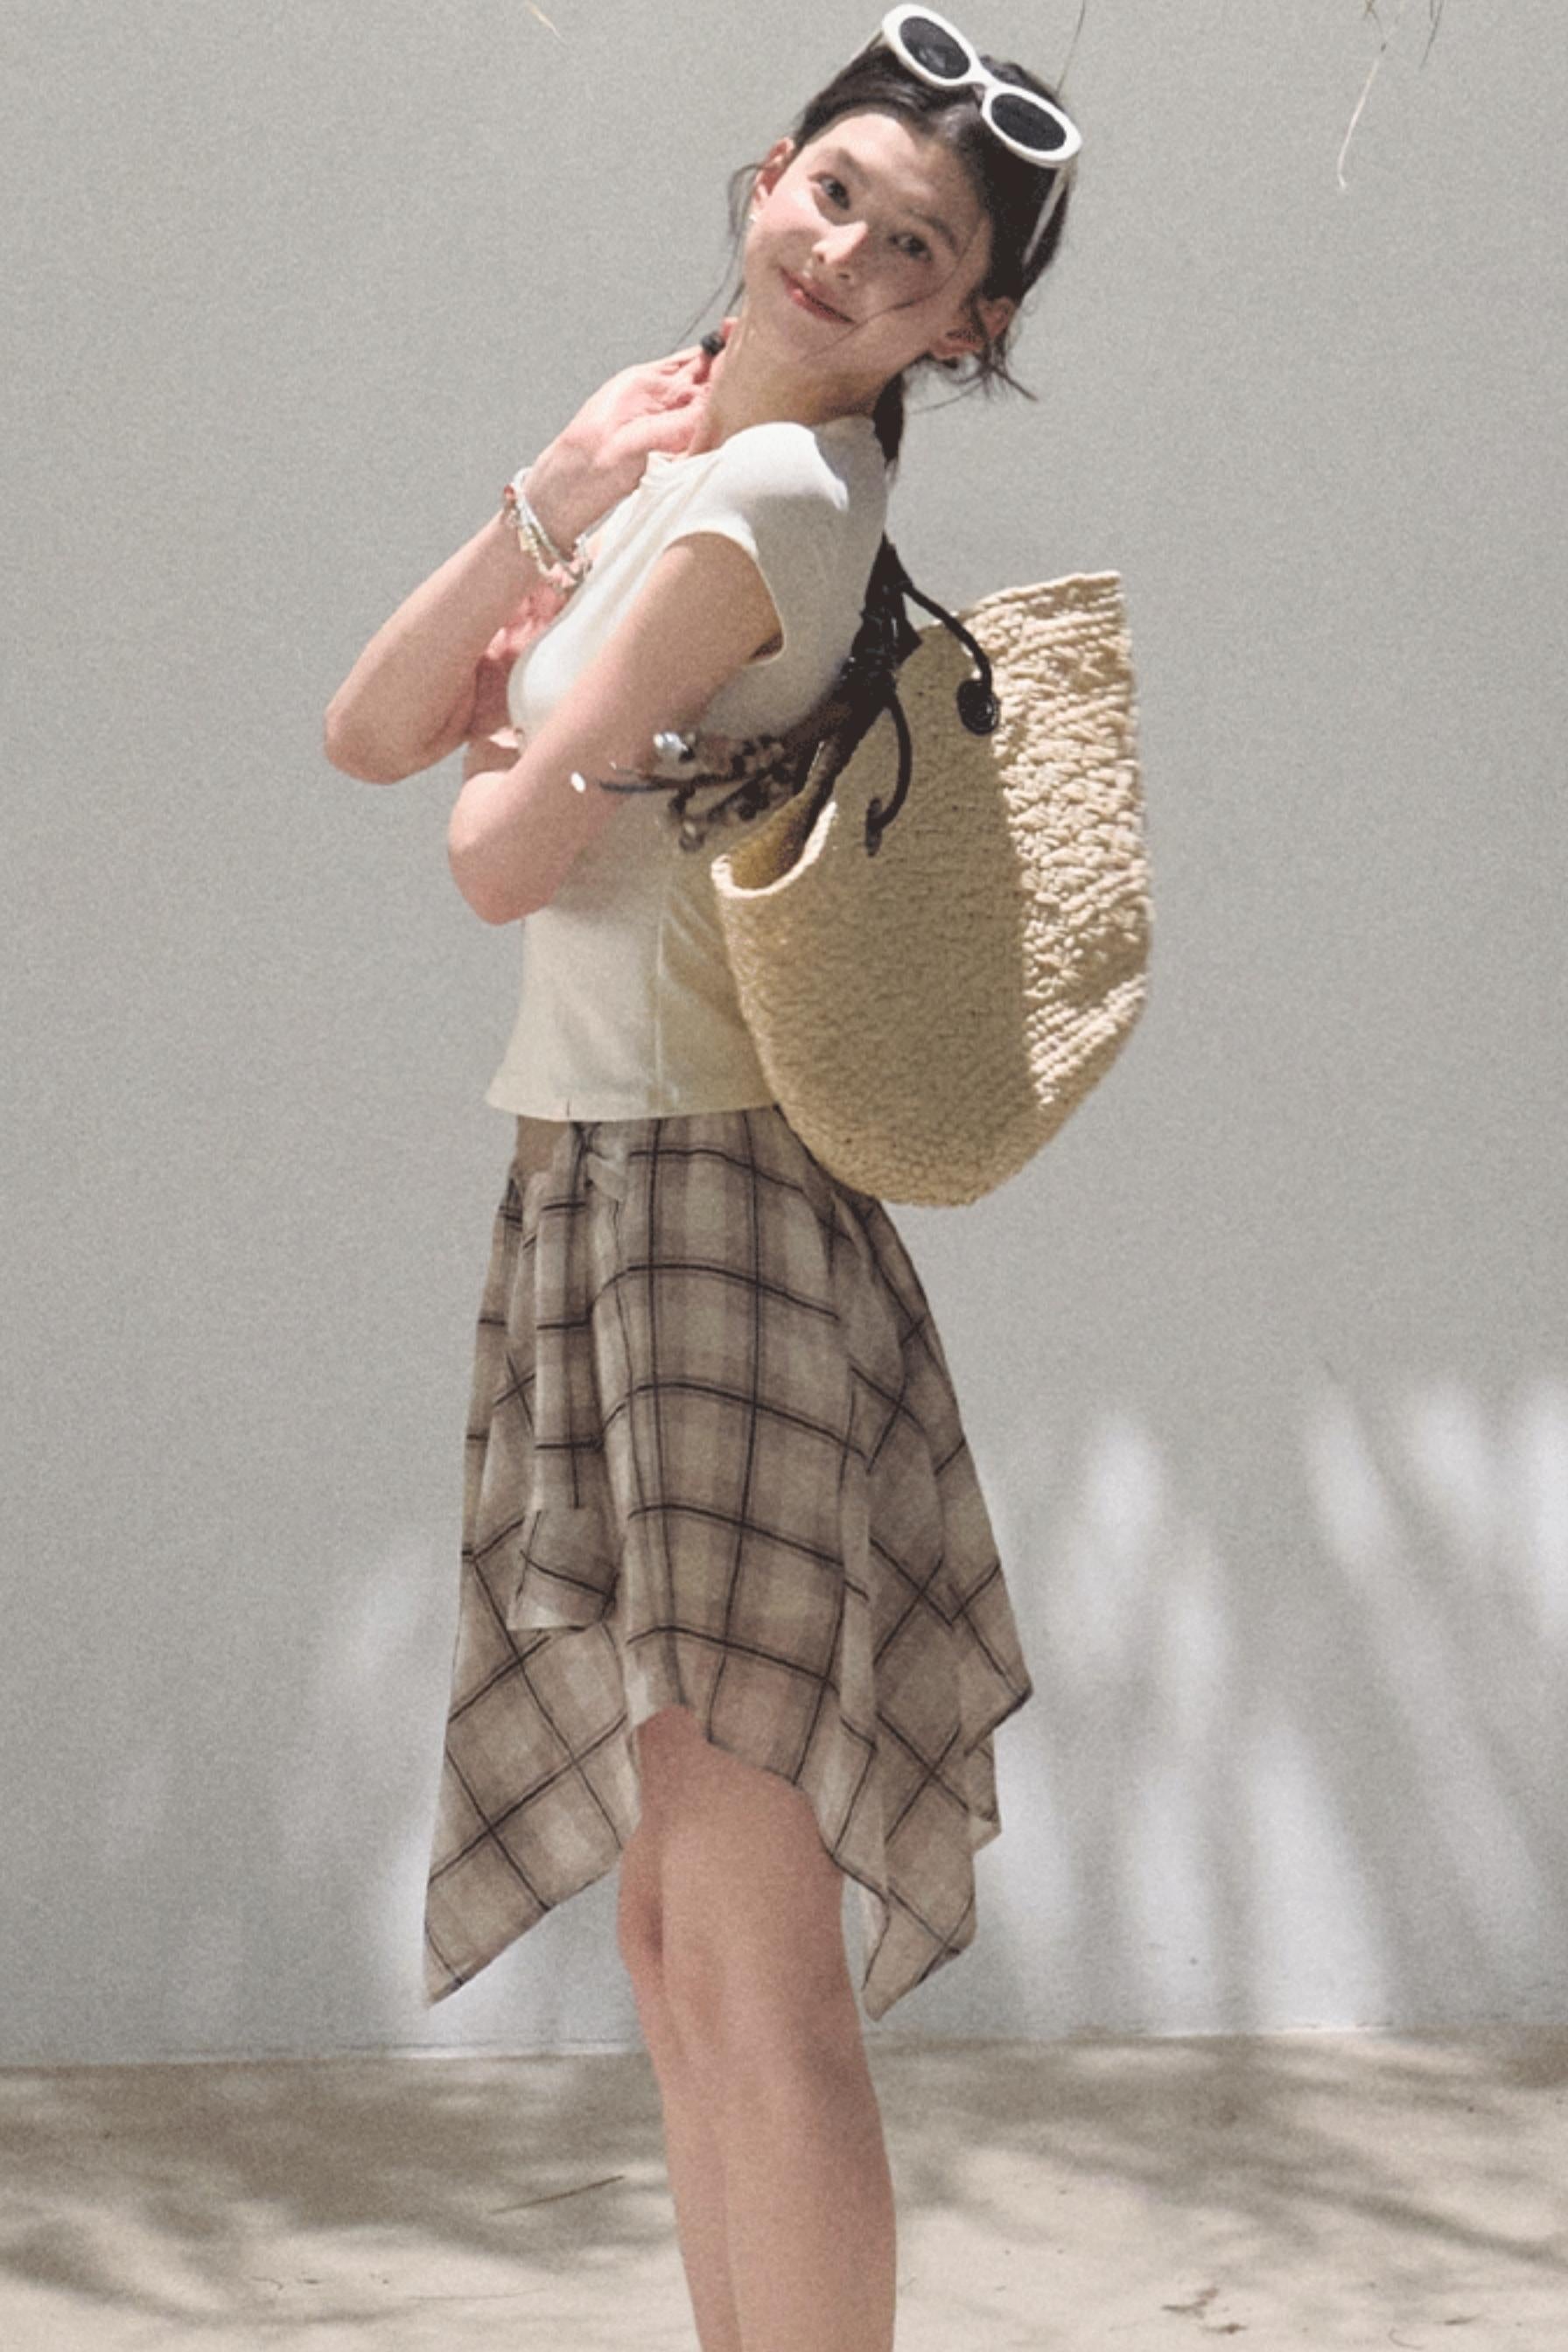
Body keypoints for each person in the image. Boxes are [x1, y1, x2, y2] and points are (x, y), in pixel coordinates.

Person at [324, 13, 1079, 2348]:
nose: (846, 249)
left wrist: (533, 730)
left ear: (968, 328)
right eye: (835, 191)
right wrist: (548, 503)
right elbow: (374, 730)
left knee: (750, 1965)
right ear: (768, 175)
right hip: (609, 1189)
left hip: (705, 1219)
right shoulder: (677, 467)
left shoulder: (762, 506)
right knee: (678, 1944)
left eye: (914, 247)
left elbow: (485, 850)